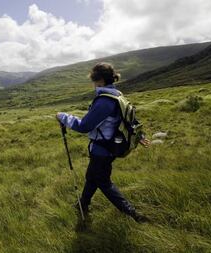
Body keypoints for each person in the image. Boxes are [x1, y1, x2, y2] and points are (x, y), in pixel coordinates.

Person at [56, 62, 151, 223]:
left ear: (98, 80)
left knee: (103, 181)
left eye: (93, 81)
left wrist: (63, 117)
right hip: (111, 146)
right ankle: (82, 204)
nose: (93, 85)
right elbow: (129, 119)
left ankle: (133, 215)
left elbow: (84, 126)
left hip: (102, 149)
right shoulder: (117, 95)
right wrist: (139, 136)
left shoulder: (104, 101)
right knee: (92, 177)